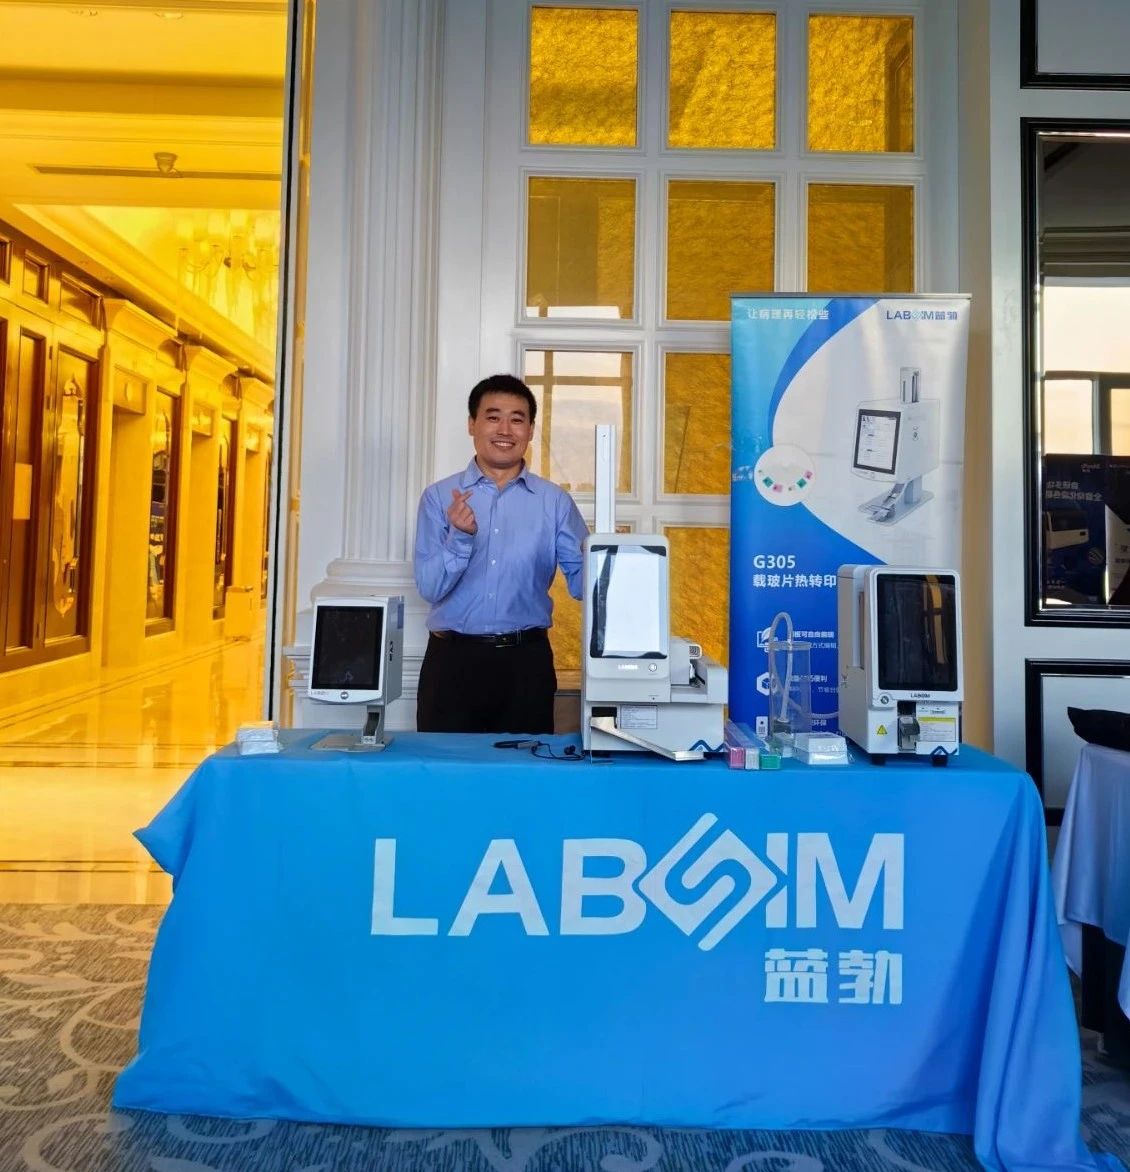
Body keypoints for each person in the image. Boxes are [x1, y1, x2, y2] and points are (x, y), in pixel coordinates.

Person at [413, 373, 588, 733]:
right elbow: (430, 588)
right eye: (493, 417)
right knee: (445, 767)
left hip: (525, 666)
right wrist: (460, 538)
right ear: (472, 424)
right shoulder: (438, 497)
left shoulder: (554, 502)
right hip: (451, 664)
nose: (505, 430)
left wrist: (614, 560)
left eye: (517, 419)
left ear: (530, 430)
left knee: (525, 768)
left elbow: (584, 584)